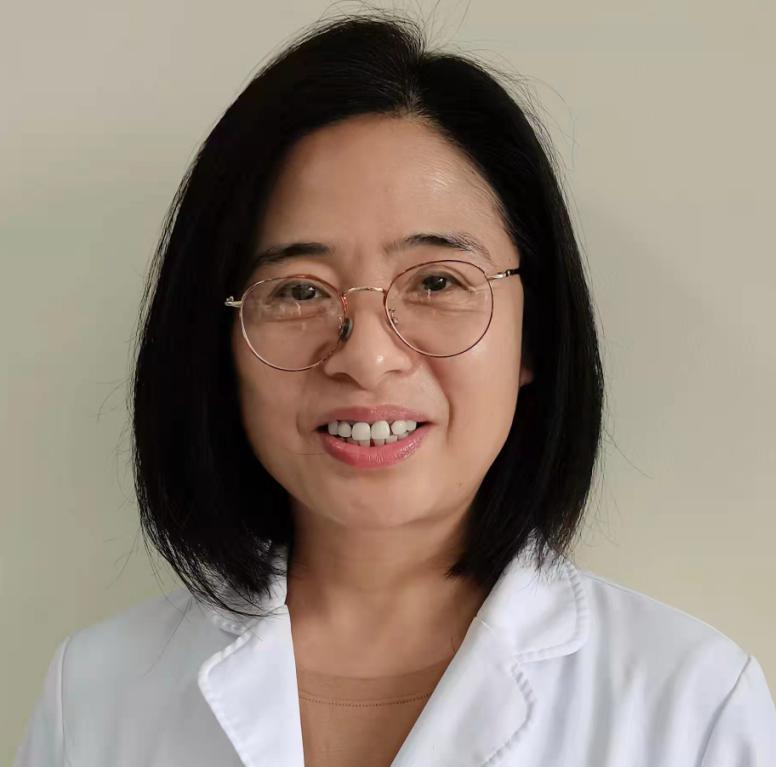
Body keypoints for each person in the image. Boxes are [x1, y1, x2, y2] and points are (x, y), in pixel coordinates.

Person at [13, 10, 776, 767]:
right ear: (220, 343)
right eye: (299, 290)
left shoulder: (691, 706)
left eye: (437, 281)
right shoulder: (96, 694)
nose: (368, 357)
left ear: (534, 332)